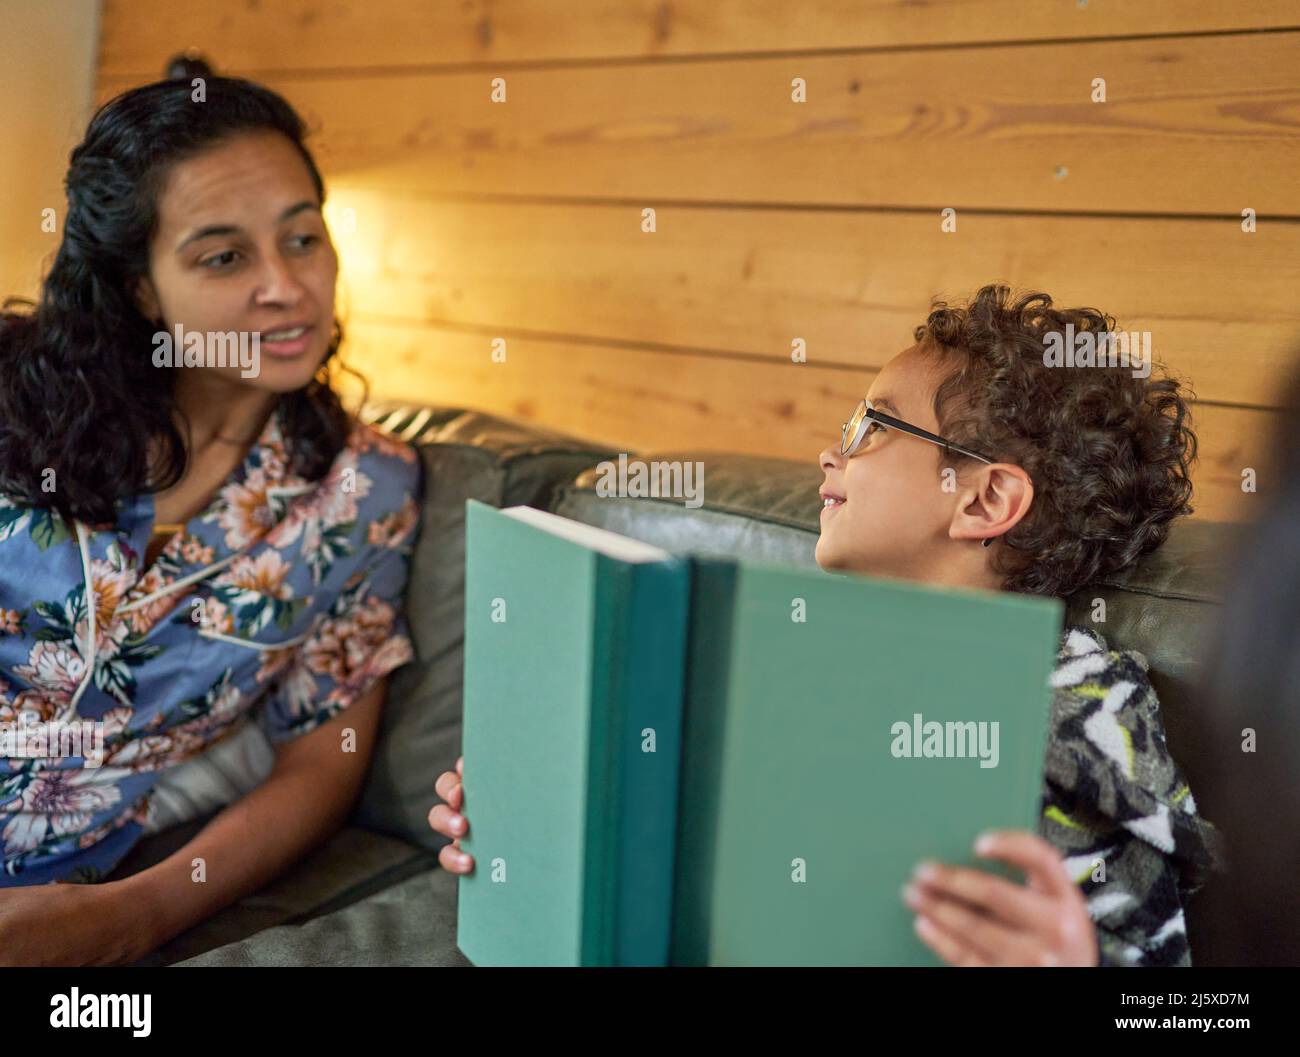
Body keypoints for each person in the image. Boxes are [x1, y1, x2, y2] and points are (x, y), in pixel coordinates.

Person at [430, 285, 1223, 967]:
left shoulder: (1085, 704)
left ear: (982, 500)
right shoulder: (791, 658)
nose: (828, 453)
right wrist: (530, 827)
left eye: (871, 427)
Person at [0, 71, 421, 966]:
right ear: (143, 291)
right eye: (224, 256)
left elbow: (324, 752)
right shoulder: (13, 400)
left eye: (303, 237)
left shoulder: (363, 490)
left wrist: (132, 915)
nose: (286, 287)